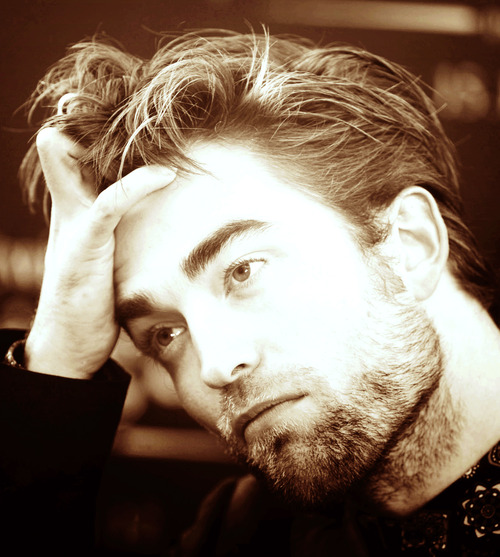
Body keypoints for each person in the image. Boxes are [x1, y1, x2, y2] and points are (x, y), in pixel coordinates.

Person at [1, 29, 499, 556]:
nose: (214, 365)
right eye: (165, 334)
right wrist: (58, 358)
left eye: (243, 271)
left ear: (411, 244)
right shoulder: (236, 536)